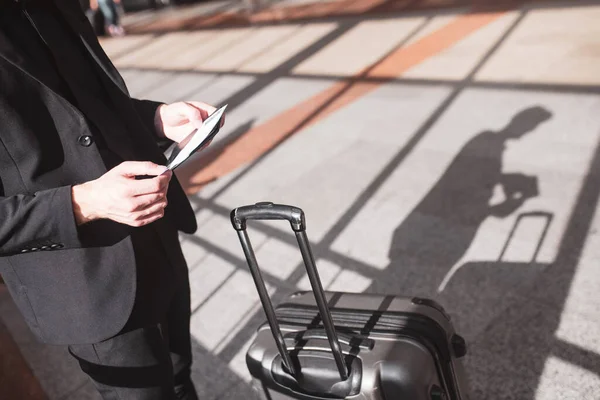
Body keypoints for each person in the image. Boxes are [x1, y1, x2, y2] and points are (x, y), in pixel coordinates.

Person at [0, 0, 224, 399]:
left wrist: (157, 118)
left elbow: (85, 108)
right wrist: (84, 203)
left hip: (158, 234)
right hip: (84, 278)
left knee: (180, 377)